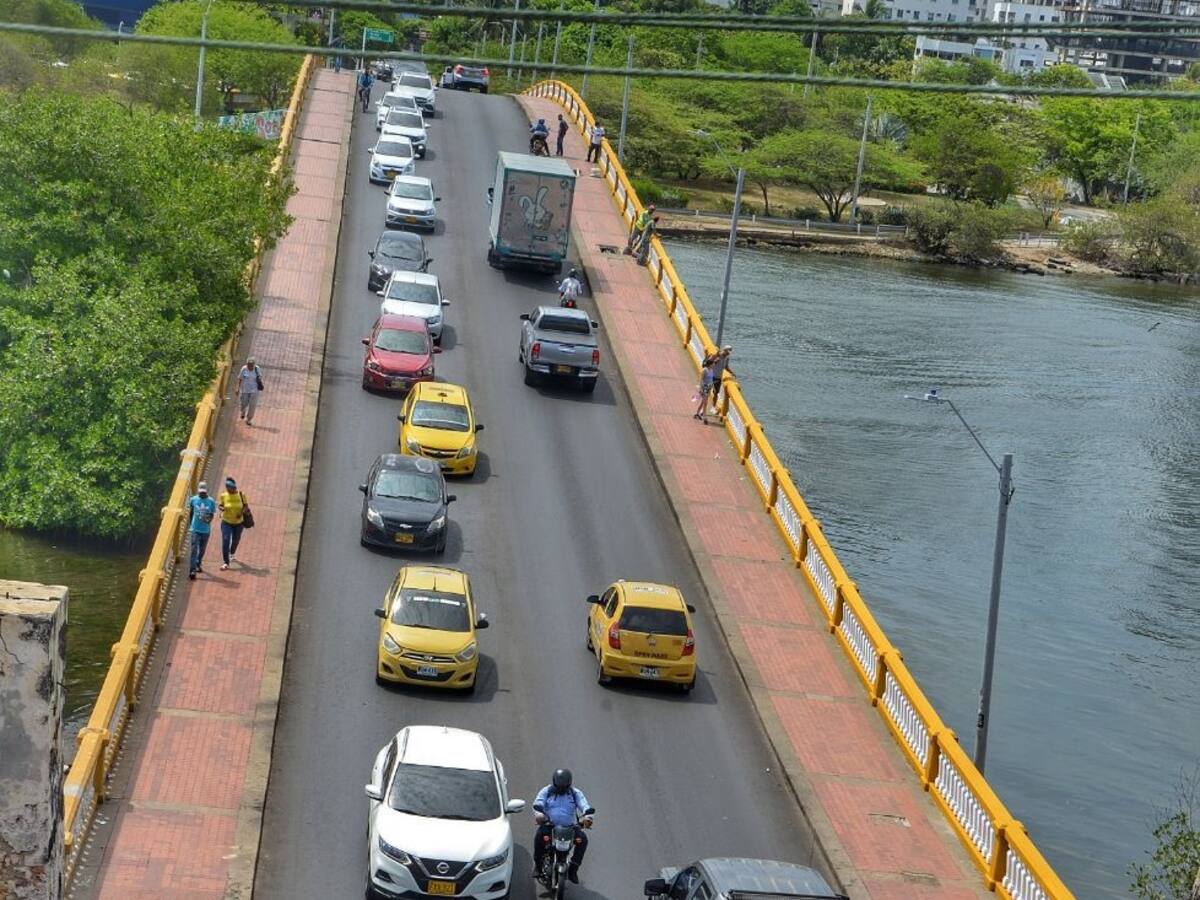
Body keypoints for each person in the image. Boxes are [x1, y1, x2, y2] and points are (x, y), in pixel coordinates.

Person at [532, 769, 593, 884]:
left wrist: (588, 816)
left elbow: (584, 805)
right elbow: (538, 803)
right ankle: (538, 866)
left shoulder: (575, 793)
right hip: (550, 825)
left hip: (570, 827)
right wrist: (539, 814)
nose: (561, 789)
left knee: (583, 840)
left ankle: (573, 869)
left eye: (564, 787)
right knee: (539, 837)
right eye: (559, 786)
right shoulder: (547, 791)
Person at [187, 481, 218, 579]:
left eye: (203, 492)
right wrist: (190, 525)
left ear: (206, 491)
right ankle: (192, 570)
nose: (202, 494)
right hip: (195, 529)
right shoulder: (193, 500)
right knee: (194, 550)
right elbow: (191, 512)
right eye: (200, 492)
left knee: (202, 550)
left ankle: (198, 563)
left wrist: (208, 520)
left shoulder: (211, 501)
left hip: (205, 530)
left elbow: (212, 514)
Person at [218, 477, 248, 571]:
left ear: (234, 487)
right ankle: (226, 562)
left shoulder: (241, 494)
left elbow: (246, 506)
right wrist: (221, 508)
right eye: (227, 488)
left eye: (230, 488)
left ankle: (232, 552)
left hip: (239, 523)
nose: (228, 490)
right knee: (225, 540)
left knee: (236, 539)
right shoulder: (223, 495)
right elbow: (220, 505)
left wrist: (241, 513)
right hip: (226, 522)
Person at [236, 357, 263, 426]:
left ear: (254, 365)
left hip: (254, 390)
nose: (250, 367)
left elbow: (260, 378)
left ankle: (249, 419)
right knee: (243, 403)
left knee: (252, 405)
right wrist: (237, 388)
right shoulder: (244, 369)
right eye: (248, 365)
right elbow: (240, 379)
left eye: (251, 366)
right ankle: (243, 411)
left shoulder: (257, 369)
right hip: (245, 389)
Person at [708, 346, 734, 415]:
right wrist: (716, 360)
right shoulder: (717, 355)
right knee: (707, 392)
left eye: (729, 352)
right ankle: (702, 407)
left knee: (716, 393)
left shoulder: (726, 358)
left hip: (718, 378)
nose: (729, 353)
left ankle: (713, 407)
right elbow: (710, 363)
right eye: (728, 351)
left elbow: (726, 367)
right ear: (725, 350)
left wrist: (732, 373)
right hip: (711, 376)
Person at [694, 356, 716, 421]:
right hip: (704, 387)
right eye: (713, 363)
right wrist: (701, 388)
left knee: (703, 401)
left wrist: (713, 387)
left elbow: (711, 379)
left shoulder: (711, 370)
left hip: (709, 387)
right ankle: (704, 416)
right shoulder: (704, 370)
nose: (714, 364)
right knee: (705, 402)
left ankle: (697, 413)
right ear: (710, 364)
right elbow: (701, 379)